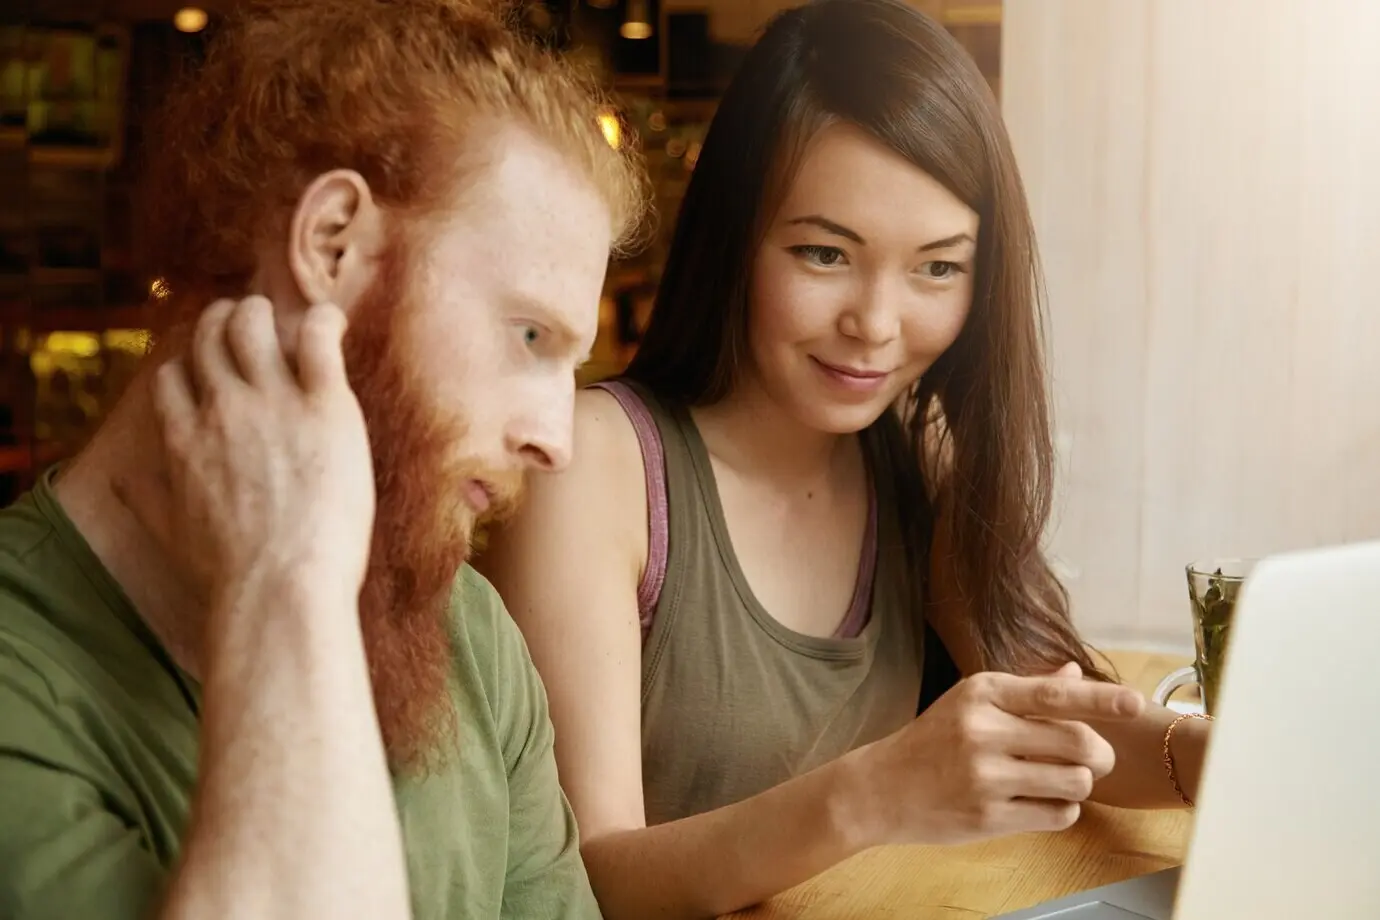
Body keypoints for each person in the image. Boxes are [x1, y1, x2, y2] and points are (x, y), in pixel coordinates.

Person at [477, 1, 1213, 917]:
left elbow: (1070, 730)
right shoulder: (598, 466)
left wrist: (1224, 754)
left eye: (937, 268)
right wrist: (878, 793)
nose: (876, 323)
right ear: (736, 240)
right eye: (826, 254)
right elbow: (590, 880)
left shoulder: (916, 460)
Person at [0, 1, 645, 918]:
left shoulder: (471, 632)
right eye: (529, 334)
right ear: (331, 242)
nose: (558, 438)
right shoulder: (20, 678)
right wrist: (285, 578)